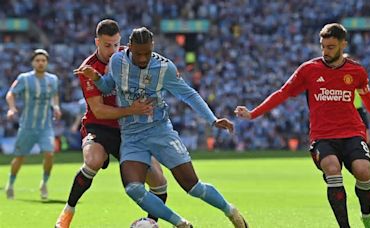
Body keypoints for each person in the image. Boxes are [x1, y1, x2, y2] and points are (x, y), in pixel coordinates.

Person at [77, 27, 248, 228]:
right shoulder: (117, 61)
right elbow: (108, 86)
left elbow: (189, 94)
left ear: (153, 48)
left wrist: (212, 119)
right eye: (138, 53)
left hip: (160, 132)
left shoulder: (164, 68)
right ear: (129, 47)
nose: (142, 58)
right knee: (133, 188)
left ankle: (230, 211)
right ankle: (181, 223)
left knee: (192, 187)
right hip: (131, 136)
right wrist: (96, 77)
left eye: (147, 53)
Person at [235, 23, 370, 228]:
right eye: (323, 46)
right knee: (332, 169)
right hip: (323, 136)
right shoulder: (309, 69)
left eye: (331, 47)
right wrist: (253, 113)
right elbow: (283, 93)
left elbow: (368, 98)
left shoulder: (356, 71)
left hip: (352, 131)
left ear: (343, 45)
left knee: (363, 171)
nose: (325, 51)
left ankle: (366, 216)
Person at [55, 20, 168, 228]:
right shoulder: (88, 69)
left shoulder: (128, 56)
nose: (113, 50)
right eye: (107, 45)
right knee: (93, 160)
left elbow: (155, 63)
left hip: (131, 128)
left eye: (116, 44)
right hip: (101, 126)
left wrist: (172, 72)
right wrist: (132, 109)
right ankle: (68, 211)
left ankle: (150, 222)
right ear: (97, 42)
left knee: (158, 180)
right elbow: (99, 110)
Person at [5, 49, 62, 200]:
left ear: (47, 62)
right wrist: (12, 108)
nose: (41, 63)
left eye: (43, 60)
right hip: (27, 126)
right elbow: (11, 93)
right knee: (20, 157)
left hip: (46, 126)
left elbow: (55, 95)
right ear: (32, 62)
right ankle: (10, 184)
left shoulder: (53, 79)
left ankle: (44, 183)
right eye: (38, 60)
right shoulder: (24, 78)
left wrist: (56, 107)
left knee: (49, 154)